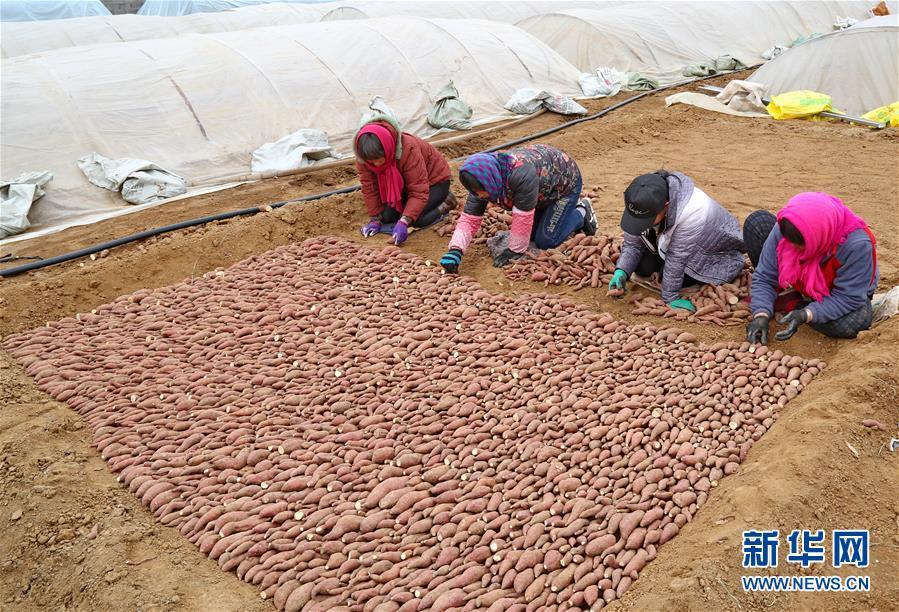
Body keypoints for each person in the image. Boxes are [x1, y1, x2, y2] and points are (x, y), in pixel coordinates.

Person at [438, 144, 597, 273]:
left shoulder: (520, 176)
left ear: (490, 180)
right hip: (540, 192)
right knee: (532, 235)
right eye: (476, 193)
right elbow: (469, 219)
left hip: (564, 188)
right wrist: (455, 251)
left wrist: (515, 250)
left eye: (482, 192)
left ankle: (581, 211)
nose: (480, 196)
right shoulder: (481, 180)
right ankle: (556, 214)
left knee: (546, 240)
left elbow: (523, 216)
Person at [744, 192, 878, 344]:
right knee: (757, 223)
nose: (793, 248)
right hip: (801, 280)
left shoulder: (857, 246)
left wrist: (805, 314)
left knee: (854, 324)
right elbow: (764, 276)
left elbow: (848, 298)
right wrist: (760, 314)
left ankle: (793, 303)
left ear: (817, 235)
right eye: (789, 242)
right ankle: (791, 295)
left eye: (800, 244)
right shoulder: (787, 226)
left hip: (836, 293)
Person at [608, 171, 745, 310]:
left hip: (712, 253)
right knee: (643, 268)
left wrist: (670, 296)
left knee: (676, 278)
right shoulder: (641, 198)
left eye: (646, 219)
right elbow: (632, 242)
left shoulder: (693, 210)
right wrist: (622, 271)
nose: (642, 223)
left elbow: (677, 257)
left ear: (666, 205)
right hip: (671, 245)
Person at [355, 115, 454, 245]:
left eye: (379, 159)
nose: (377, 165)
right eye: (371, 162)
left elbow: (418, 191)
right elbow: (370, 188)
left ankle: (447, 202)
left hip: (434, 182)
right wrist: (375, 219)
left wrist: (405, 220)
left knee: (418, 220)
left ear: (388, 148)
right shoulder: (363, 157)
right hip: (404, 186)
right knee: (387, 218)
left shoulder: (408, 149)